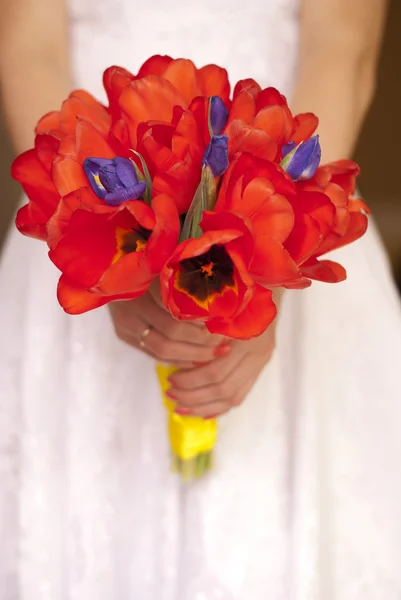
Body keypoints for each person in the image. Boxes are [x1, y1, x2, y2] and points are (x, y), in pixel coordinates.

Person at [0, 0, 400, 598]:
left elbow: (342, 46)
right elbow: (26, 43)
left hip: (279, 192)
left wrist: (271, 257)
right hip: (92, 199)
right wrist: (111, 257)